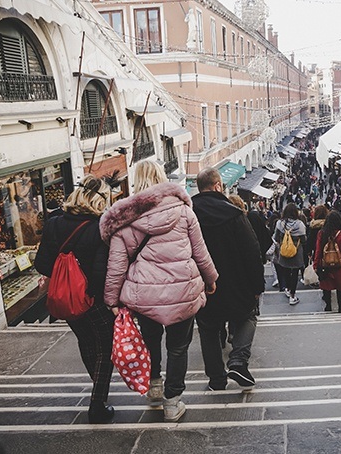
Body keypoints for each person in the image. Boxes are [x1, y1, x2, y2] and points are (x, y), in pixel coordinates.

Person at [101, 161, 218, 422]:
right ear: (162, 178)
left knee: (151, 340)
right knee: (178, 347)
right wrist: (211, 279)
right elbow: (201, 253)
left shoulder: (125, 218)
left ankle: (154, 385)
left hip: (145, 296)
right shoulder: (184, 212)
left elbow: (117, 265)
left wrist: (111, 299)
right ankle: (172, 402)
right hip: (182, 291)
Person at [35, 175, 115, 423]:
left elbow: (41, 263)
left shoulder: (54, 223)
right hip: (93, 299)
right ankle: (97, 403)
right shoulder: (100, 227)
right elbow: (102, 272)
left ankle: (97, 390)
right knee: (107, 347)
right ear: (100, 200)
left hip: (65, 299)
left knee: (87, 342)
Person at [192, 167, 264, 390]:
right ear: (218, 186)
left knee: (208, 328)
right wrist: (256, 286)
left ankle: (216, 379)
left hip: (203, 284)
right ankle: (238, 361)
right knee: (247, 316)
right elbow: (252, 251)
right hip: (236, 282)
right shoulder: (233, 213)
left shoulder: (189, 214)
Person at [313, 210, 341, 313]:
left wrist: (316, 264)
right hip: (340, 264)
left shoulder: (322, 233)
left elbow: (318, 250)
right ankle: (340, 307)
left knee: (327, 285)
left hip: (325, 264)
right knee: (340, 286)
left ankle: (328, 306)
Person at [273, 203, 307, 305]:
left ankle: (287, 288)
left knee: (286, 270)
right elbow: (304, 240)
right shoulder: (300, 225)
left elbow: (275, 237)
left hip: (284, 251)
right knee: (295, 273)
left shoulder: (280, 223)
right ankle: (293, 295)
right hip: (296, 252)